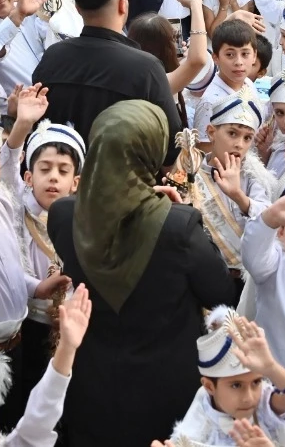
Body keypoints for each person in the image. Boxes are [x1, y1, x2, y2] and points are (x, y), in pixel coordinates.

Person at [46, 100, 232, 446]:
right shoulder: (178, 227)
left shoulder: (63, 216)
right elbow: (220, 293)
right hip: (166, 395)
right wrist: (180, 214)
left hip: (91, 387)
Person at [35, 0, 184, 157]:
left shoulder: (52, 57)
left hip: (60, 168)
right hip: (122, 172)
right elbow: (172, 145)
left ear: (77, 8)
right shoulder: (146, 67)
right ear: (123, 4)